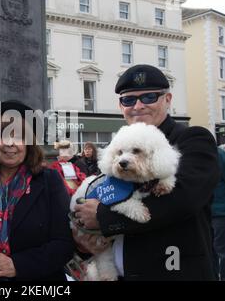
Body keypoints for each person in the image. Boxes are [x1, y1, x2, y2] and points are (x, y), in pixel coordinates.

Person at [73, 64, 219, 280]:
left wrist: (103, 218)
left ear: (168, 99)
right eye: (129, 99)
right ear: (121, 105)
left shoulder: (193, 138)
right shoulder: (118, 146)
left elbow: (185, 199)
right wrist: (85, 241)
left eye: (149, 97)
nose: (138, 106)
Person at [0, 101, 74, 280]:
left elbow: (65, 244)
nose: (10, 144)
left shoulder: (49, 181)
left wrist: (17, 265)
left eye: (19, 137)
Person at [212, 146, 225, 280]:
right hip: (208, 211)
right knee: (212, 251)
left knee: (220, 250)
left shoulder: (218, 154)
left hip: (219, 212)